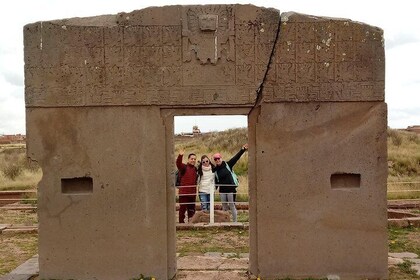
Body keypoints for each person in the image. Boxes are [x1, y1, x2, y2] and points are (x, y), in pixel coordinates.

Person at [213, 144, 248, 222]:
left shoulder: (228, 164)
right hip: (222, 191)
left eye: (218, 158)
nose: (217, 160)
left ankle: (235, 222)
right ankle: (226, 221)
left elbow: (236, 158)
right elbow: (215, 180)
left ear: (221, 158)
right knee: (224, 207)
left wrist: (242, 150)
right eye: (215, 159)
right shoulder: (215, 170)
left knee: (232, 206)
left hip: (231, 189)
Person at [176, 151, 198, 223]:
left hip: (192, 194)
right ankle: (181, 223)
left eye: (194, 159)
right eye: (192, 159)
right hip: (184, 193)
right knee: (182, 209)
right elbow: (178, 163)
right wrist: (180, 155)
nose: (193, 160)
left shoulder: (195, 169)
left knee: (191, 210)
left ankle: (191, 223)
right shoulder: (184, 167)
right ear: (188, 159)